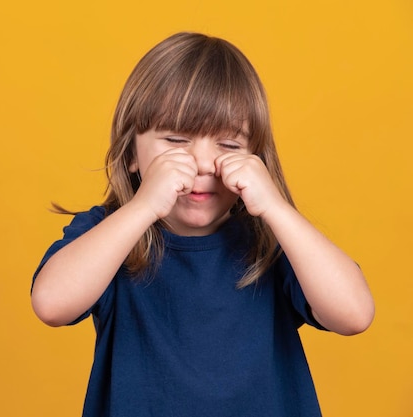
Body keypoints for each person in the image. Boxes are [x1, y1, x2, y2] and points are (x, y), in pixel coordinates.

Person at [31, 32, 374, 417]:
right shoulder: (110, 233)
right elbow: (51, 304)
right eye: (176, 140)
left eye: (229, 146)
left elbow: (355, 315)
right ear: (131, 154)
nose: (204, 164)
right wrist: (143, 206)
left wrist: (276, 207)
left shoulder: (274, 239)